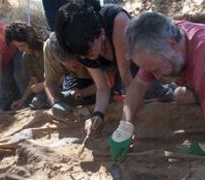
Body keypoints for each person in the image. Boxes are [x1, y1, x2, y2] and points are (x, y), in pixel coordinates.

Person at [108, 11, 205, 159]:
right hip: (203, 79)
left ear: (173, 44)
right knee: (179, 96)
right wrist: (124, 127)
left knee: (190, 98)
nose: (156, 76)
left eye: (157, 68)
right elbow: (138, 85)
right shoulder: (165, 39)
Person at [54, 0, 174, 135]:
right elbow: (102, 87)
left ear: (102, 33)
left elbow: (126, 75)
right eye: (81, 54)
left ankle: (170, 91)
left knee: (154, 94)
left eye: (88, 51)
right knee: (126, 95)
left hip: (144, 55)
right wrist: (98, 114)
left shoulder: (118, 20)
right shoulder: (83, 49)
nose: (85, 57)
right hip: (122, 69)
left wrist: (129, 118)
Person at [43, 32, 96, 117]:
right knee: (66, 100)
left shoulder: (89, 40)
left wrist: (80, 93)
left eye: (76, 64)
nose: (73, 66)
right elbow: (50, 82)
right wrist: (55, 102)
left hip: (102, 73)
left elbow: (107, 82)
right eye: (67, 64)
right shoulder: (49, 48)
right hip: (77, 77)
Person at [5, 22, 46, 110]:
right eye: (17, 47)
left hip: (60, 87)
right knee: (36, 102)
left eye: (22, 45)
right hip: (45, 91)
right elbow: (33, 80)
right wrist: (22, 100)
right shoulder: (26, 57)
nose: (20, 50)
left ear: (30, 40)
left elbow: (62, 78)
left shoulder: (46, 50)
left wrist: (43, 85)